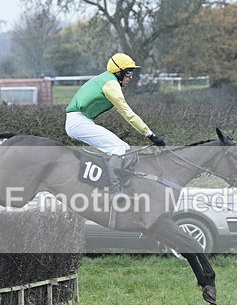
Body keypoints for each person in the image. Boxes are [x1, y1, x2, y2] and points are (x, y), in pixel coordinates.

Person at [65, 53, 166, 199]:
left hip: (81, 121)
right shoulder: (110, 84)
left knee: (124, 148)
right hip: (78, 122)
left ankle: (113, 185)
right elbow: (127, 113)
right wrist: (150, 134)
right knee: (117, 148)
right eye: (128, 73)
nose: (131, 77)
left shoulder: (108, 79)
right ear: (118, 72)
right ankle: (115, 192)